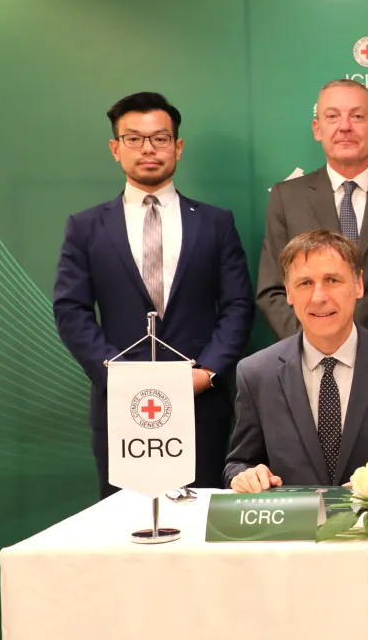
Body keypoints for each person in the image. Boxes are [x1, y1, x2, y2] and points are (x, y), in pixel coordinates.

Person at [53, 92, 254, 497]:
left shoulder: (215, 224)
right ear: (116, 149)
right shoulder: (86, 227)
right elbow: (71, 310)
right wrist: (116, 376)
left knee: (200, 520)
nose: (148, 149)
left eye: (160, 138)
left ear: (177, 147)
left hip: (199, 405)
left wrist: (207, 372)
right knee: (124, 523)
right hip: (120, 408)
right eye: (134, 139)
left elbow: (238, 305)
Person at [224, 230, 368, 491]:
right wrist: (245, 475)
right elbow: (239, 463)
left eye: (332, 280)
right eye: (305, 283)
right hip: (293, 518)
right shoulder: (257, 374)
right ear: (288, 292)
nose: (319, 297)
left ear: (358, 285)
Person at [256, 79, 368, 347]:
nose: (345, 126)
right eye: (332, 116)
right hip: (309, 362)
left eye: (357, 116)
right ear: (317, 129)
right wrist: (317, 348)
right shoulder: (286, 198)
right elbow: (272, 291)